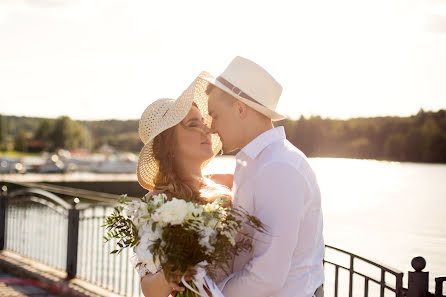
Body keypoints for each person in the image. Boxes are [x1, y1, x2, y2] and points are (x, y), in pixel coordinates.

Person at [202, 56, 325, 297]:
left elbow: (267, 278)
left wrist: (210, 292)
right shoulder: (256, 163)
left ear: (240, 108)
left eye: (214, 115)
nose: (211, 127)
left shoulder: (279, 167)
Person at [133, 72, 233, 297]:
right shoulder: (154, 204)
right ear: (170, 144)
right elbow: (149, 289)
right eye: (193, 124)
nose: (206, 130)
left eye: (203, 122)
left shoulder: (226, 188)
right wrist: (169, 272)